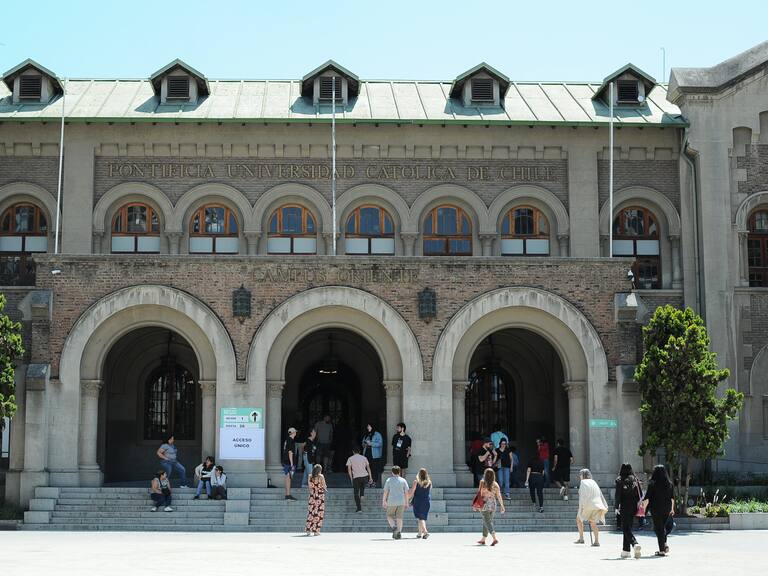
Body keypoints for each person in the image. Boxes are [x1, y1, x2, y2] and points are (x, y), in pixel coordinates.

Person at [641, 464, 675, 557]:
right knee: (661, 527)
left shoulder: (652, 483)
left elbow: (647, 497)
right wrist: (672, 509)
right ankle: (664, 545)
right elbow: (672, 498)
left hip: (656, 508)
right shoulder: (669, 484)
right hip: (667, 508)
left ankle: (662, 550)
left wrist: (643, 509)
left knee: (659, 529)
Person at [615, 463, 642, 559]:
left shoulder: (620, 480)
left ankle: (634, 543)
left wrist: (616, 507)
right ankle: (626, 551)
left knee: (625, 528)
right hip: (634, 506)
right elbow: (640, 494)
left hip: (624, 506)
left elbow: (618, 495)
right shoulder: (635, 480)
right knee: (628, 527)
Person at [574, 468, 608, 546]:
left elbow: (582, 496)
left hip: (587, 505)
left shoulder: (583, 482)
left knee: (579, 519)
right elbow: (599, 494)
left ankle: (581, 538)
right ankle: (596, 541)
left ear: (583, 475)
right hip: (597, 505)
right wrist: (603, 504)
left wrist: (581, 507)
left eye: (580, 475)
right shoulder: (593, 482)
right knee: (593, 523)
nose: (579, 476)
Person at [476, 468, 505, 546]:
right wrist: (502, 505)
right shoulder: (495, 484)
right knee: (487, 521)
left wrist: (477, 505)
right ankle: (483, 539)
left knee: (487, 522)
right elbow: (499, 496)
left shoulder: (482, 482)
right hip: (493, 505)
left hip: (485, 504)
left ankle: (494, 538)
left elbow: (479, 494)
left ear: (485, 475)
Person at [382, 465, 410, 539]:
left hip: (391, 501)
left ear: (392, 472)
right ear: (399, 472)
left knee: (389, 515)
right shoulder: (403, 480)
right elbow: (406, 492)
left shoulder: (389, 480)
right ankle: (399, 533)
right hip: (401, 501)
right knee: (399, 518)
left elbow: (386, 491)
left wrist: (384, 501)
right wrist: (407, 502)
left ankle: (394, 527)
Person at [346, 446, 373, 513]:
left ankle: (359, 508)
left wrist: (351, 478)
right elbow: (368, 468)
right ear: (360, 452)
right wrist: (370, 477)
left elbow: (349, 469)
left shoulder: (350, 458)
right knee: (362, 485)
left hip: (356, 477)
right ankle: (362, 495)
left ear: (353, 452)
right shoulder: (364, 458)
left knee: (356, 493)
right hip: (365, 476)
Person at [408, 468, 432, 539]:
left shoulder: (416, 482)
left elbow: (412, 492)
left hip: (418, 501)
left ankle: (425, 532)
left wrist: (408, 499)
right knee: (421, 517)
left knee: (421, 518)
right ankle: (419, 533)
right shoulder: (429, 482)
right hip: (426, 501)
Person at [305, 464, 327, 536]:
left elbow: (309, 487)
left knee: (311, 513)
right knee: (319, 513)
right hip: (320, 496)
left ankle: (308, 530)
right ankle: (316, 531)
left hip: (312, 496)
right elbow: (324, 486)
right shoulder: (321, 476)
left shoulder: (310, 476)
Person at [362, 423, 383, 487]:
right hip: (367, 453)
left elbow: (380, 444)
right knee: (368, 468)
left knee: (374, 468)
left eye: (369, 426)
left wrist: (371, 443)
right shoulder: (366, 434)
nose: (368, 427)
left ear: (372, 427)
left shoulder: (377, 434)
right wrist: (364, 444)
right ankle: (369, 481)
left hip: (375, 454)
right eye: (367, 426)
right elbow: (363, 443)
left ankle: (374, 481)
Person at [282, 427, 298, 501]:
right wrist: (292, 464)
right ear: (293, 433)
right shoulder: (291, 441)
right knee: (289, 478)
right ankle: (288, 495)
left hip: (286, 461)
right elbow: (290, 452)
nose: (296, 433)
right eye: (295, 432)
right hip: (289, 462)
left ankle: (287, 494)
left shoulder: (287, 440)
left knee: (287, 478)